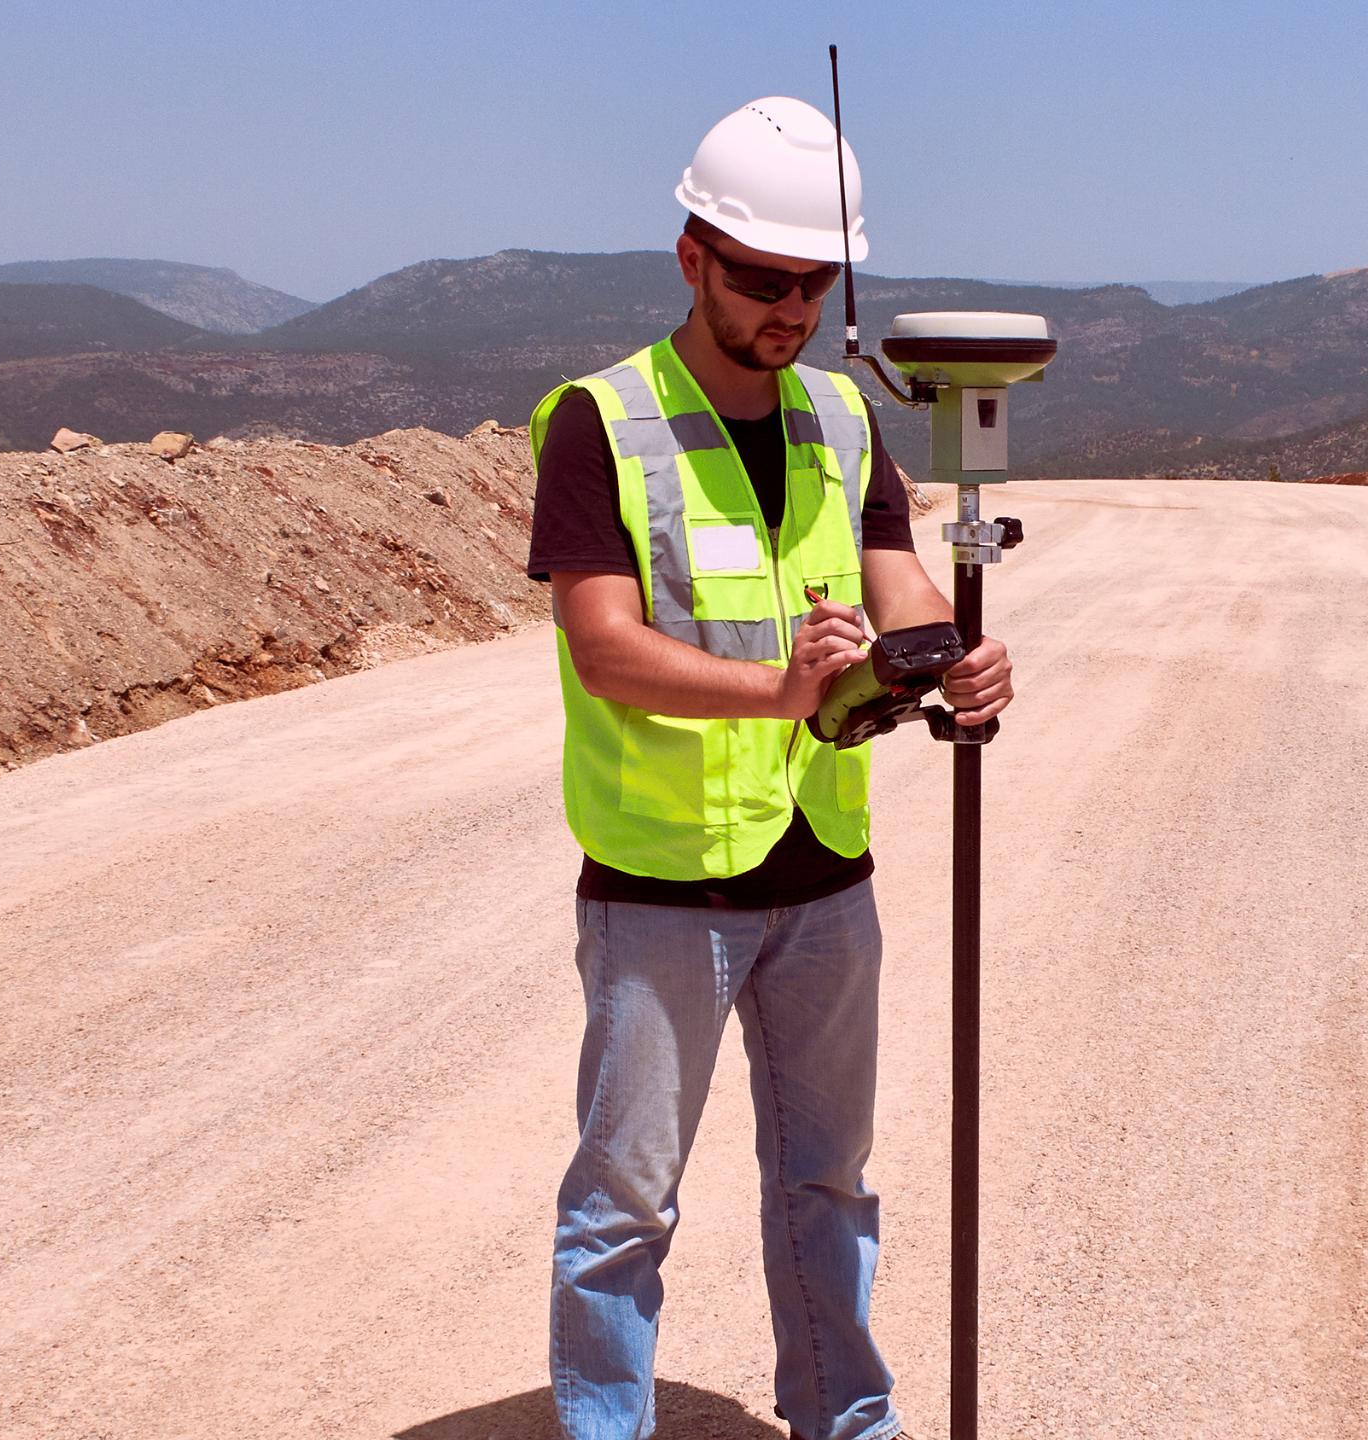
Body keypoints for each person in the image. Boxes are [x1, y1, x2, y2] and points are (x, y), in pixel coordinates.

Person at [524, 95, 1009, 1440]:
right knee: (624, 1207)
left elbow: (900, 585)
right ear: (693, 257)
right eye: (761, 279)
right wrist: (777, 690)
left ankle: (847, 1424)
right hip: (662, 889)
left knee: (828, 1185)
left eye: (814, 283)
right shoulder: (602, 425)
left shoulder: (843, 418)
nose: (788, 307)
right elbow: (605, 646)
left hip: (824, 879)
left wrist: (952, 659)